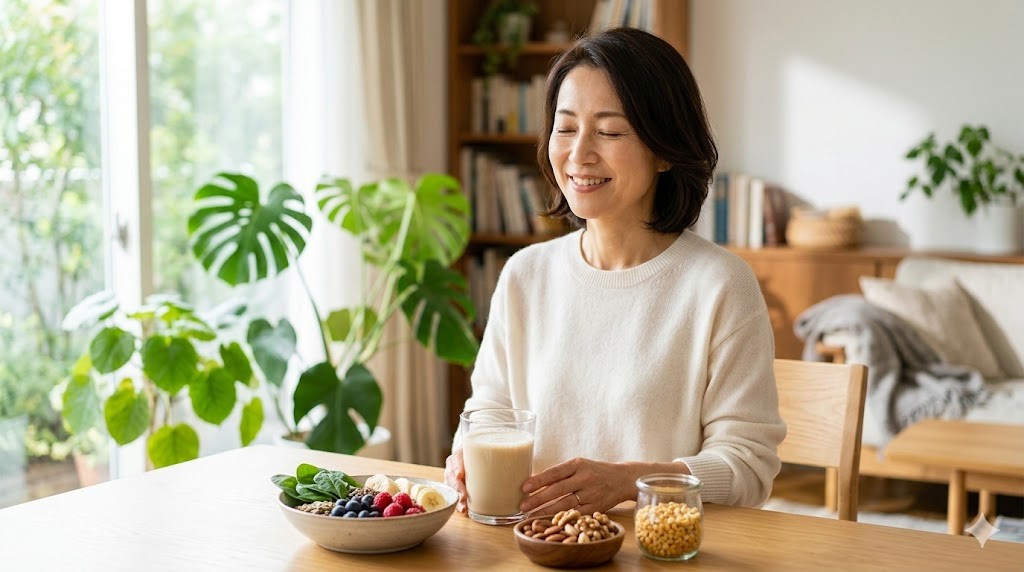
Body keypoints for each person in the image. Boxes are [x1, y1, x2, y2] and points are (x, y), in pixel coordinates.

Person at [445, 28, 786, 517]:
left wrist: (631, 482)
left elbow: (747, 466)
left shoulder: (719, 285)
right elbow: (491, 413)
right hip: (532, 546)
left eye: (609, 131)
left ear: (665, 149)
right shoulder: (526, 275)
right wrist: (464, 458)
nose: (579, 154)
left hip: (659, 551)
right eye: (565, 128)